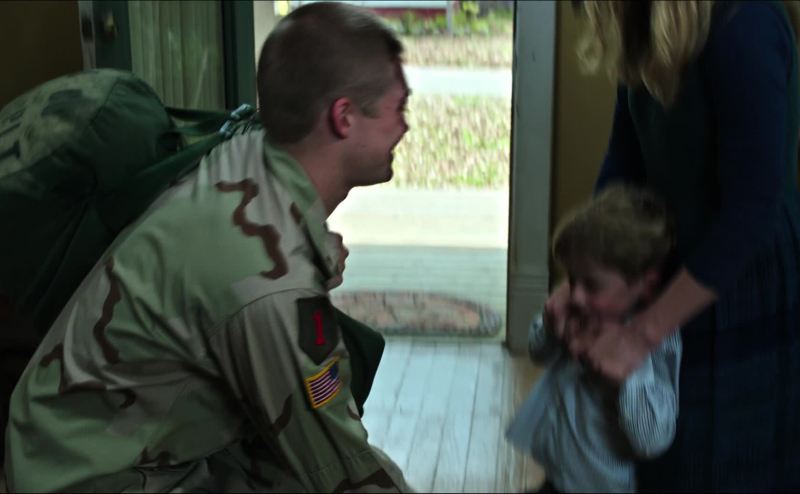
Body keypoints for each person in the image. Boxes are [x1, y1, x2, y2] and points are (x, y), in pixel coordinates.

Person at [3, 2, 411, 492]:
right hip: (90, 479)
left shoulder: (245, 152)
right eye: (397, 109)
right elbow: (344, 470)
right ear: (344, 117)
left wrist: (314, 253)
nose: (404, 127)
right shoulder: (273, 290)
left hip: (57, 442)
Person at [545, 1, 800, 491]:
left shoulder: (746, 25)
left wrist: (641, 334)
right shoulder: (649, 27)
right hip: (666, 264)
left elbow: (751, 210)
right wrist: (584, 282)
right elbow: (624, 166)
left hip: (740, 282)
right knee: (656, 460)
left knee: (720, 470)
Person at [507, 185, 680, 493]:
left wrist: (628, 377)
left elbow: (652, 439)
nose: (575, 295)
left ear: (647, 285)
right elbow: (538, 354)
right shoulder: (583, 310)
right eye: (572, 280)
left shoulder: (651, 340)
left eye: (591, 285)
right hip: (557, 477)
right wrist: (549, 325)